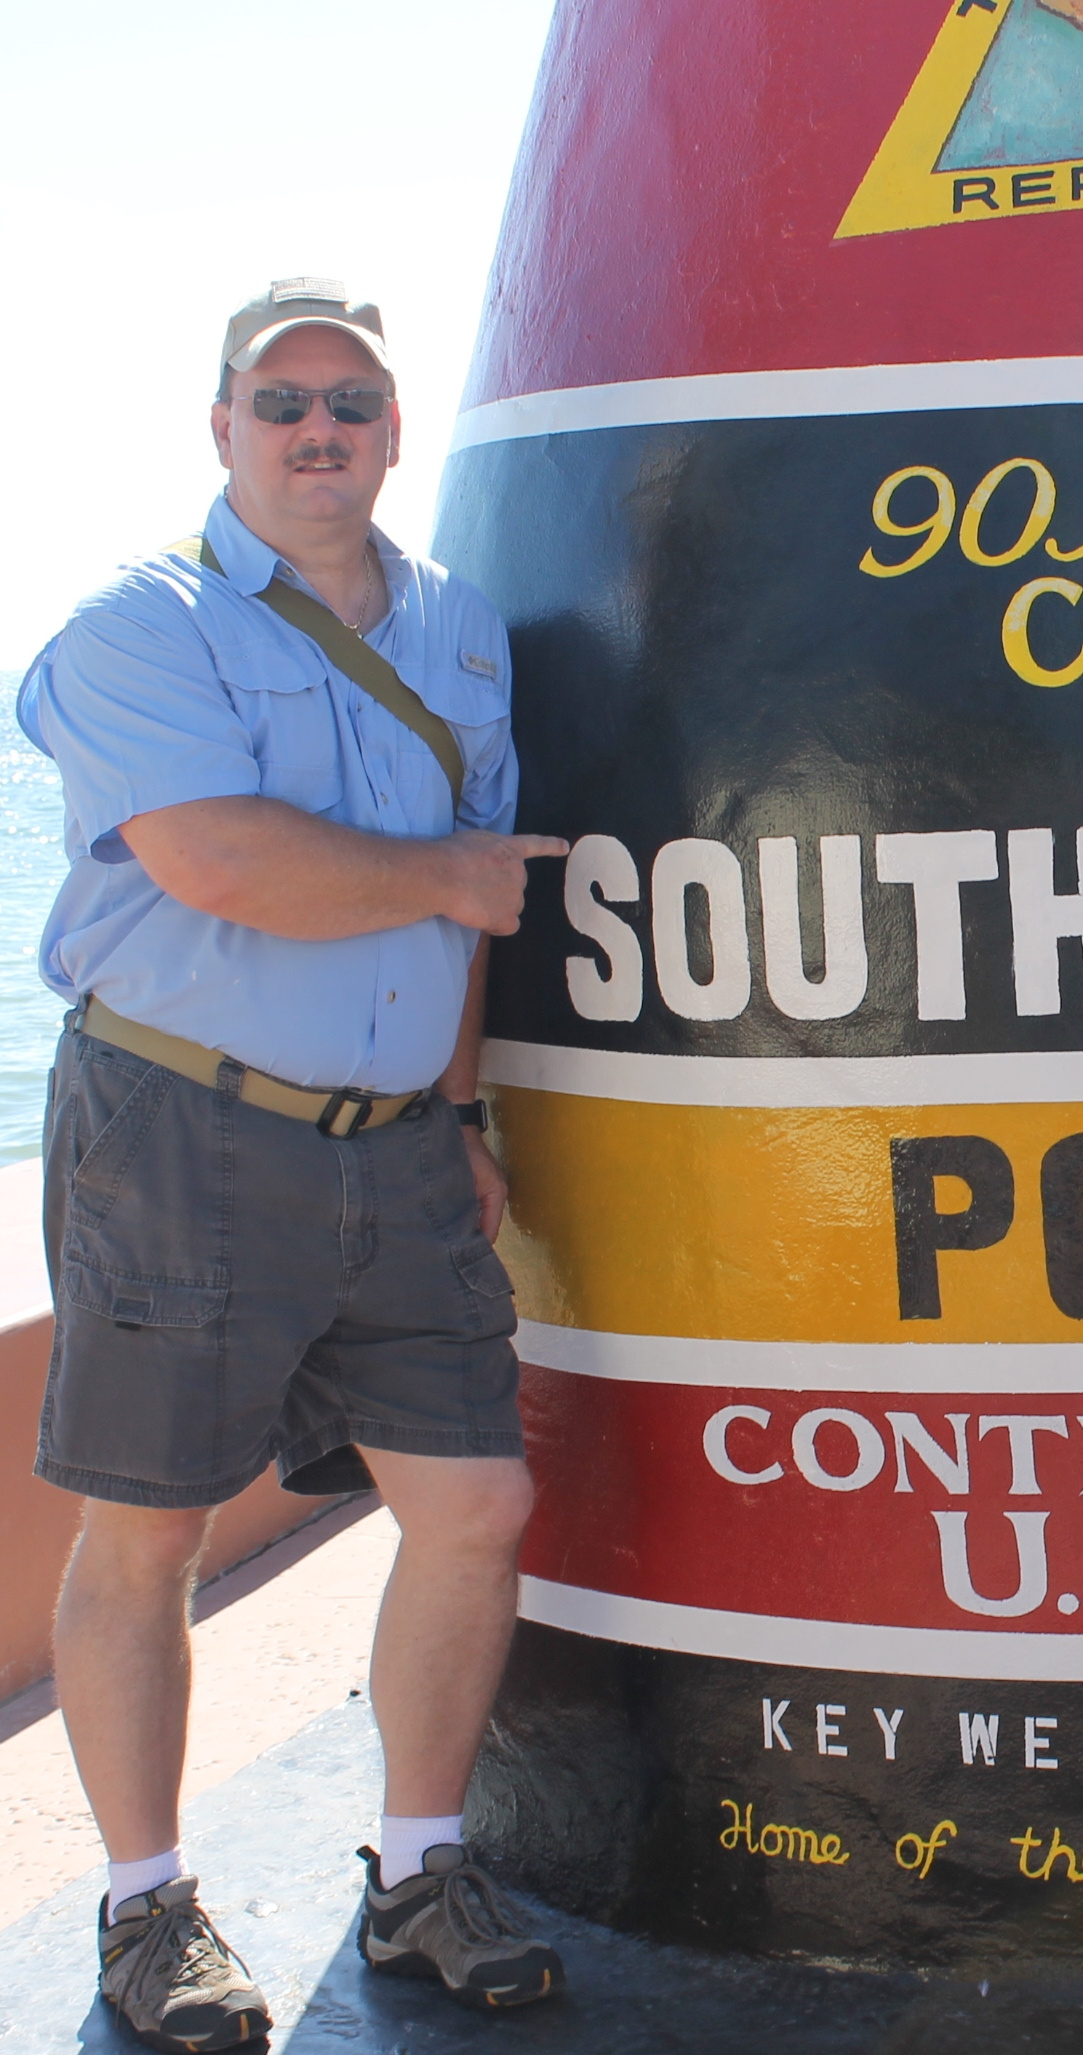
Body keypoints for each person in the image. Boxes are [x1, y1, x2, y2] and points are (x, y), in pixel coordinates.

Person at [19, 280, 571, 2049]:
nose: (318, 429)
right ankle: (146, 1908)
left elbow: (477, 900)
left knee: (474, 1510)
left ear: (396, 430)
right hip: (181, 1132)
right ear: (225, 431)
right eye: (284, 403)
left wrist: (467, 1110)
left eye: (352, 401)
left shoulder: (463, 631)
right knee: (146, 1532)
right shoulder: (138, 624)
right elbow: (218, 862)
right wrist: (446, 882)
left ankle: (418, 1873)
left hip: (400, 1150)